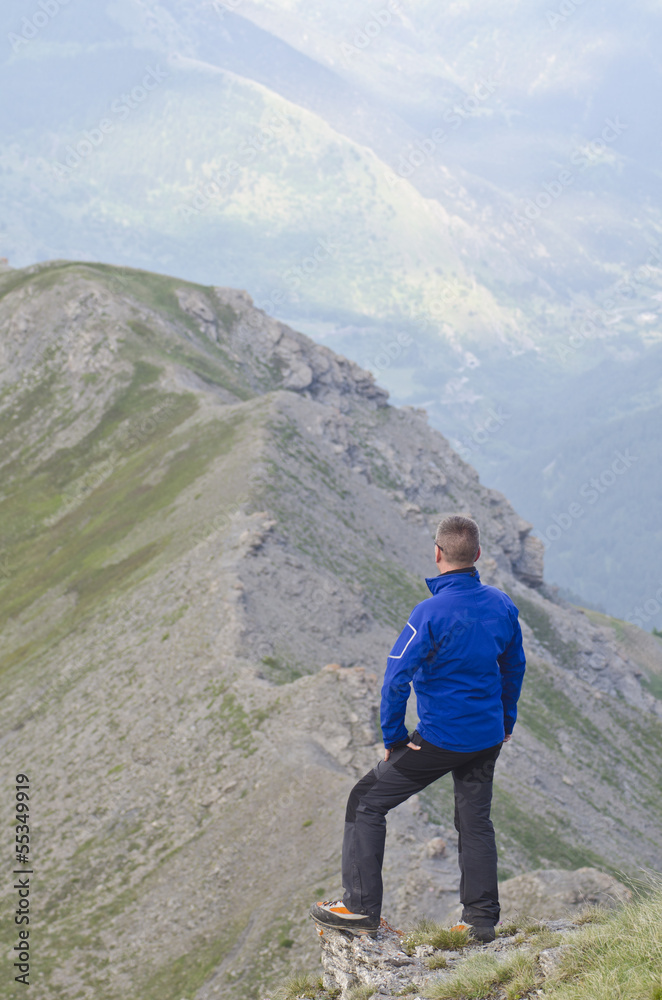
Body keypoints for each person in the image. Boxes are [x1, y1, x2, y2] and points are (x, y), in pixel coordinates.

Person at [310, 515, 526, 942]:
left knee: (366, 801)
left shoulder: (428, 613)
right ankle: (480, 921)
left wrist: (393, 737)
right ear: (478, 555)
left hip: (441, 740)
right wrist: (505, 722)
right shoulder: (501, 605)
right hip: (486, 738)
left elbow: (396, 679)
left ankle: (359, 909)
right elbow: (513, 668)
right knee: (475, 821)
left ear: (438, 553)